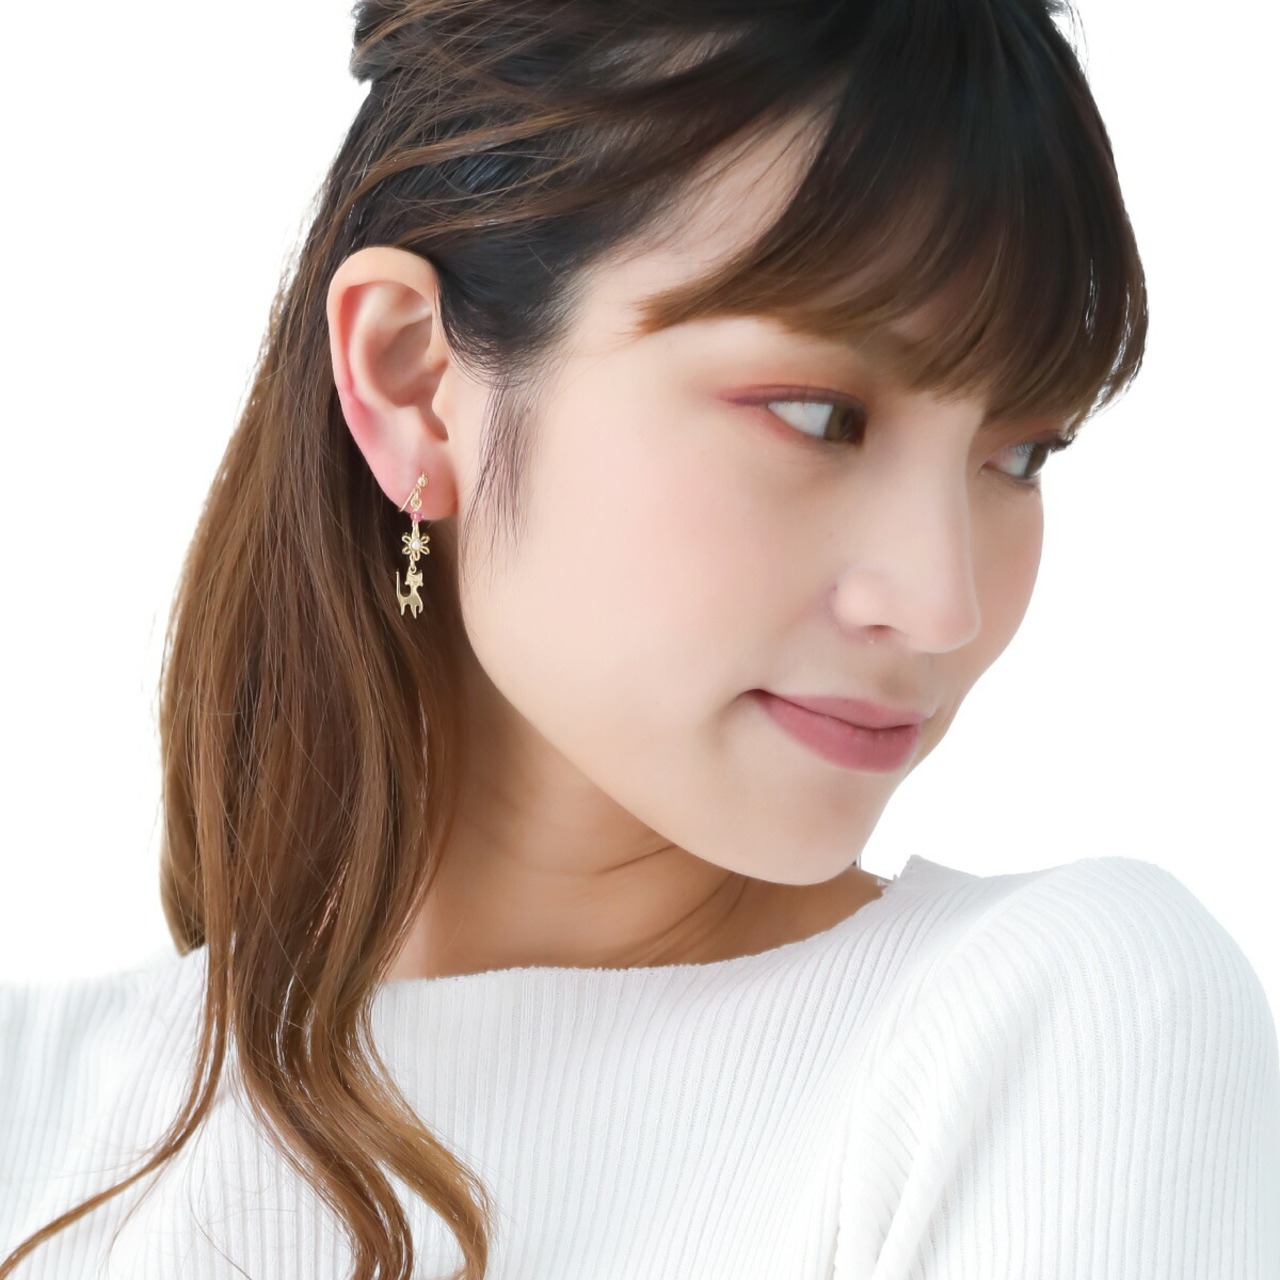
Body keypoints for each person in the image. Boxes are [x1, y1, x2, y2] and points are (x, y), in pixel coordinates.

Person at [2, 0, 1277, 1277]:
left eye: (1019, 454)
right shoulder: (35, 1118)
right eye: (818, 415)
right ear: (414, 382)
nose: (943, 604)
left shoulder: (1050, 1027)